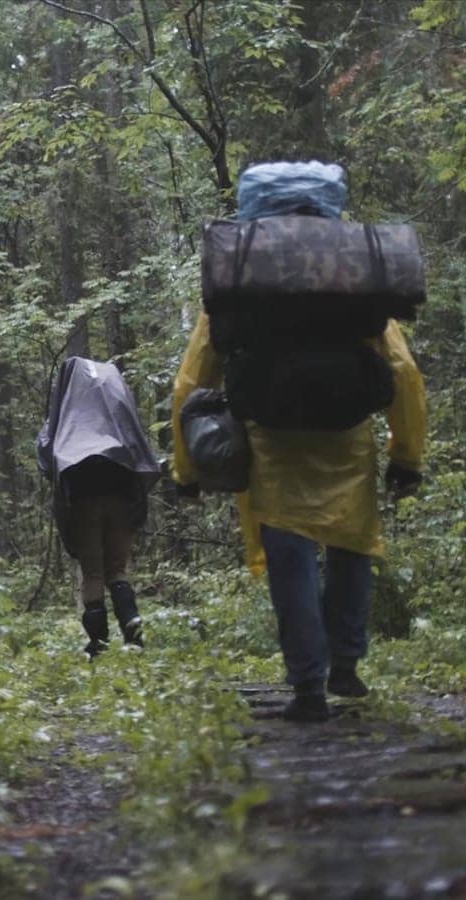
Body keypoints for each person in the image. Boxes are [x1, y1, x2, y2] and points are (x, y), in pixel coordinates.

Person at [171, 162, 427, 723]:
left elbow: (191, 383)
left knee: (289, 558)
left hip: (272, 444)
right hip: (348, 442)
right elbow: (403, 371)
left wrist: (186, 470)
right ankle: (347, 664)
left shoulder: (239, 279)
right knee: (351, 544)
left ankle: (308, 685)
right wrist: (406, 456)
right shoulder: (355, 274)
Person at [37, 357, 162, 656]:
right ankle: (133, 640)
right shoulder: (118, 415)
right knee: (117, 570)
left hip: (84, 504)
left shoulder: (67, 417)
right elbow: (138, 453)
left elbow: (46, 451)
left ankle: (98, 644)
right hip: (118, 501)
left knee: (93, 572)